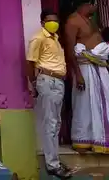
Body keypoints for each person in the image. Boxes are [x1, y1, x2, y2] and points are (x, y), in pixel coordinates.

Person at [65, 0, 109, 154]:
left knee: (103, 103)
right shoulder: (73, 21)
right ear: (87, 4)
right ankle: (82, 139)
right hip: (84, 68)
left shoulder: (91, 21)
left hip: (99, 68)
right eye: (94, 4)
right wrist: (78, 74)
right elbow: (70, 49)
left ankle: (101, 140)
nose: (96, 7)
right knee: (84, 104)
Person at [26, 10, 75, 179]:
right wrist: (33, 83)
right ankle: (52, 165)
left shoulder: (55, 39)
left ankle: (54, 160)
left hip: (58, 82)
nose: (53, 23)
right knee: (50, 123)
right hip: (47, 80)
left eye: (55, 20)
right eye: (49, 21)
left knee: (56, 123)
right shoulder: (38, 38)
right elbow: (30, 62)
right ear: (42, 22)